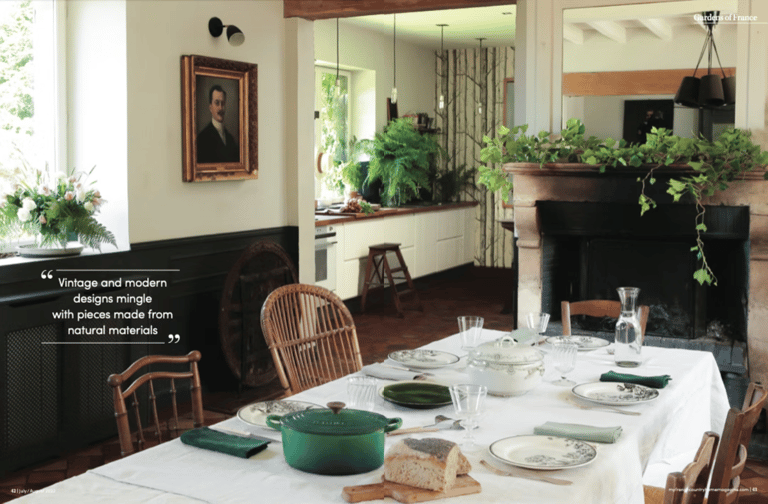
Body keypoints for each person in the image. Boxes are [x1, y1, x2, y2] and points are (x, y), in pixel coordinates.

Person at [196, 85, 239, 163]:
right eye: (217, 103)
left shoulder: (230, 139)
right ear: (210, 108)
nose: (220, 108)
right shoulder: (202, 139)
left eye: (222, 103)